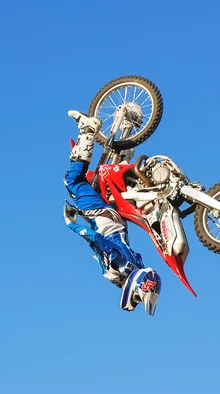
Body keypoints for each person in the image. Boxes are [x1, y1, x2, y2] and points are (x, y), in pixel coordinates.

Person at [62, 110, 161, 316]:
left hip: (116, 220)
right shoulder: (120, 264)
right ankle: (88, 130)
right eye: (137, 295)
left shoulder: (136, 265)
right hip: (101, 218)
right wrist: (72, 224)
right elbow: (95, 238)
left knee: (98, 182)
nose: (133, 296)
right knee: (74, 182)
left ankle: (126, 143)